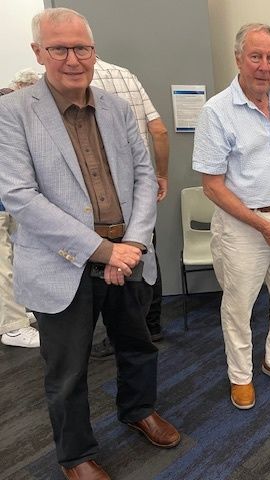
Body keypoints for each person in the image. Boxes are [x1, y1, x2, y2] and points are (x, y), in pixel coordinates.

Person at [0, 8, 180, 478]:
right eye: (59, 48)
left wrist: (134, 244)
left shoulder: (118, 109)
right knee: (67, 373)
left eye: (82, 47)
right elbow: (20, 197)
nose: (72, 58)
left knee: (138, 346)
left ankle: (138, 410)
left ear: (94, 51)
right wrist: (103, 252)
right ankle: (76, 455)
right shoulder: (12, 112)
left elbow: (146, 177)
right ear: (39, 53)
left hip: (129, 257)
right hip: (63, 265)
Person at [192, 23, 270, 410]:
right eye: (255, 57)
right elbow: (212, 185)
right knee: (239, 306)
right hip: (243, 226)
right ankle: (240, 376)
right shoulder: (217, 112)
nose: (263, 66)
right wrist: (263, 226)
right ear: (239, 58)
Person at [90, 58, 170, 358]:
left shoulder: (64, 83)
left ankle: (120, 334)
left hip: (102, 190)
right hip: (140, 184)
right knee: (146, 249)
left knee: (111, 259)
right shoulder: (126, 76)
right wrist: (160, 175)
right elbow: (159, 131)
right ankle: (151, 325)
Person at [0, 75, 40, 349]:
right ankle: (13, 328)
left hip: (8, 204)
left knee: (11, 261)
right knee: (3, 265)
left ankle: (13, 314)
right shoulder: (8, 116)